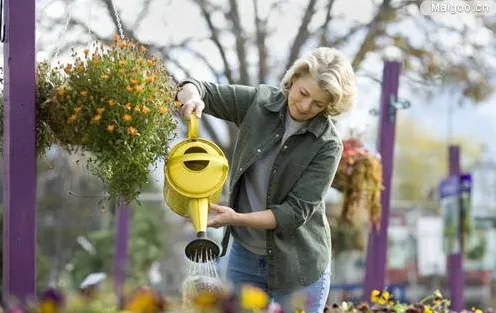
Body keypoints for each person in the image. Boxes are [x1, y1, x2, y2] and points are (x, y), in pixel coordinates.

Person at [175, 47, 357, 313]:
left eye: (318, 104)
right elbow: (197, 88)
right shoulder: (258, 104)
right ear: (294, 78)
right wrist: (193, 99)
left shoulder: (328, 145)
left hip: (299, 266)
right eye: (303, 93)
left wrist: (235, 218)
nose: (305, 106)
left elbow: (294, 213)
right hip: (245, 257)